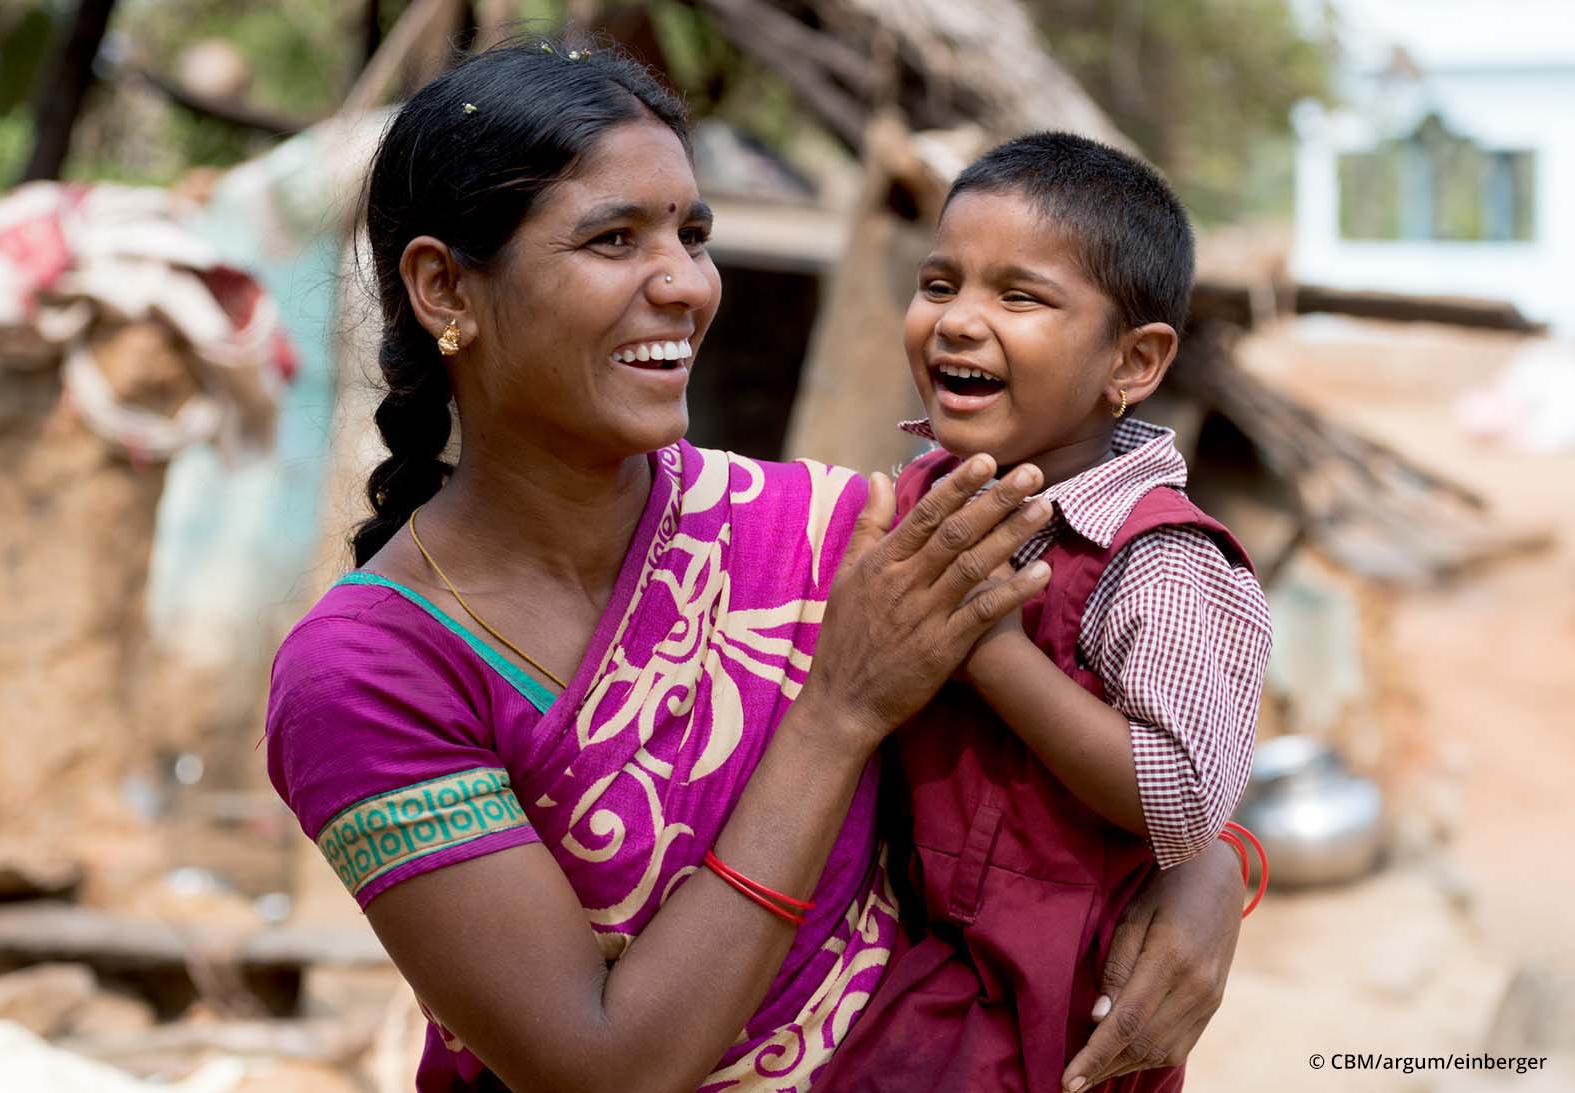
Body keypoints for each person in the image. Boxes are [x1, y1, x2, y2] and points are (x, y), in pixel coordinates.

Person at [263, 44, 1248, 1093]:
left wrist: (1213, 868)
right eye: (612, 239)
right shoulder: (364, 678)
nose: (685, 285)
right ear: (443, 286)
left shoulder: (826, 530)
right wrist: (834, 714)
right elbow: (601, 1071)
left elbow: (1138, 730)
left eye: (692, 235)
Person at [817, 134, 1273, 1093]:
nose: (958, 322)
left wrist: (989, 647)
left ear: (1134, 361)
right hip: (906, 973)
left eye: (1018, 297)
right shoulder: (920, 495)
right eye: (940, 284)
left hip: (1046, 1022)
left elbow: (1185, 796)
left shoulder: (1157, 561)